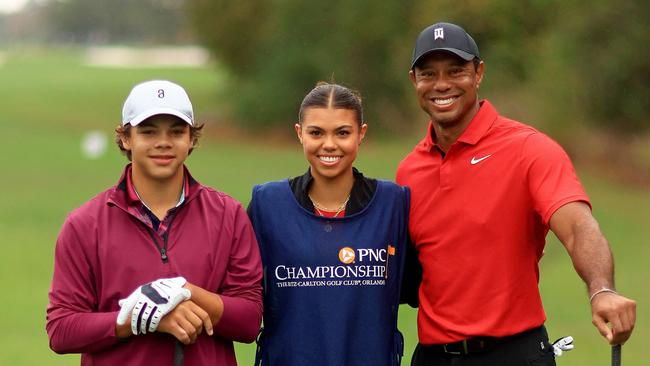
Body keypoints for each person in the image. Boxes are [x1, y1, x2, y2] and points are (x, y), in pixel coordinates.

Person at [396, 22, 637, 365]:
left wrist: (602, 289)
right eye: (429, 74)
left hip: (513, 353)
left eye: (456, 71)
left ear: (478, 74)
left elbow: (578, 227)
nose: (442, 84)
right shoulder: (409, 170)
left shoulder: (529, 150)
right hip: (432, 357)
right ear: (414, 81)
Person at [46, 80, 263, 365]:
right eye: (148, 132)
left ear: (192, 139)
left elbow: (249, 321)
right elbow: (61, 330)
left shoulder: (228, 215)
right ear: (126, 138)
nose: (163, 142)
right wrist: (139, 318)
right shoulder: (85, 224)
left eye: (176, 131)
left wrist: (186, 292)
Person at [247, 82, 410, 365]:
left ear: (362, 134)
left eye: (343, 133)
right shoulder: (267, 205)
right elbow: (241, 296)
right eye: (316, 133)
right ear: (300, 134)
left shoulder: (393, 204)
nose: (330, 144)